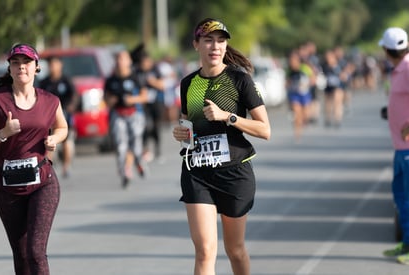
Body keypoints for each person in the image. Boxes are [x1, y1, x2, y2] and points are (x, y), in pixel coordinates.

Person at [172, 18, 271, 275]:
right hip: (197, 171)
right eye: (208, 40)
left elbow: (265, 129)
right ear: (196, 45)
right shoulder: (188, 84)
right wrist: (181, 133)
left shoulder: (240, 80)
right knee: (205, 251)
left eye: (220, 41)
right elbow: (188, 127)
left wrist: (228, 116)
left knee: (235, 250)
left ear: (226, 46)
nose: (215, 46)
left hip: (234, 173)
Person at [0, 43, 68, 274]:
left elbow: (62, 127)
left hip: (42, 183)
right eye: (15, 63)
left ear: (36, 67)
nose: (21, 68)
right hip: (8, 188)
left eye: (26, 63)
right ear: (9, 69)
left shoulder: (50, 100)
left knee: (36, 252)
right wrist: (3, 134)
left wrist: (55, 139)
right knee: (22, 255)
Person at [379, 27, 409, 265]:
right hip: (400, 147)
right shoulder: (398, 70)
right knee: (400, 195)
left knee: (408, 197)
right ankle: (407, 242)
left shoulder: (408, 67)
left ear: (387, 50)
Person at [104, 50, 147, 188]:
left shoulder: (135, 77)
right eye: (118, 59)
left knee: (135, 142)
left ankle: (139, 161)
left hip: (135, 113)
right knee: (121, 145)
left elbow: (144, 96)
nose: (120, 62)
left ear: (129, 61)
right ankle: (124, 172)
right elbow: (106, 98)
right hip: (118, 114)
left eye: (123, 59)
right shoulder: (111, 80)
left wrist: (132, 99)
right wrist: (110, 100)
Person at [39, 55, 78, 178]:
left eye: (55, 64)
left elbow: (74, 96)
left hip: (65, 115)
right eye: (51, 64)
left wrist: (71, 106)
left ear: (60, 65)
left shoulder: (66, 81)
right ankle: (48, 168)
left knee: (67, 141)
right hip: (48, 117)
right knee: (49, 141)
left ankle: (66, 166)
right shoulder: (44, 82)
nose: (53, 67)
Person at [132, 44, 165, 162]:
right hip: (143, 104)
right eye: (143, 62)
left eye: (147, 61)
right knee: (144, 126)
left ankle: (158, 150)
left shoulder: (155, 70)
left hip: (156, 102)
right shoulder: (136, 71)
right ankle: (145, 150)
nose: (146, 64)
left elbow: (162, 85)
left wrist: (153, 82)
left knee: (156, 127)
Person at [286, 50, 312, 141]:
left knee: (306, 115)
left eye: (294, 60)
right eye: (290, 61)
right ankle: (297, 133)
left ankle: (304, 121)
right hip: (294, 95)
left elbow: (313, 78)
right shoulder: (289, 71)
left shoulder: (304, 68)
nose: (292, 63)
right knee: (297, 114)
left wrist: (307, 84)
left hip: (304, 94)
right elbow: (287, 82)